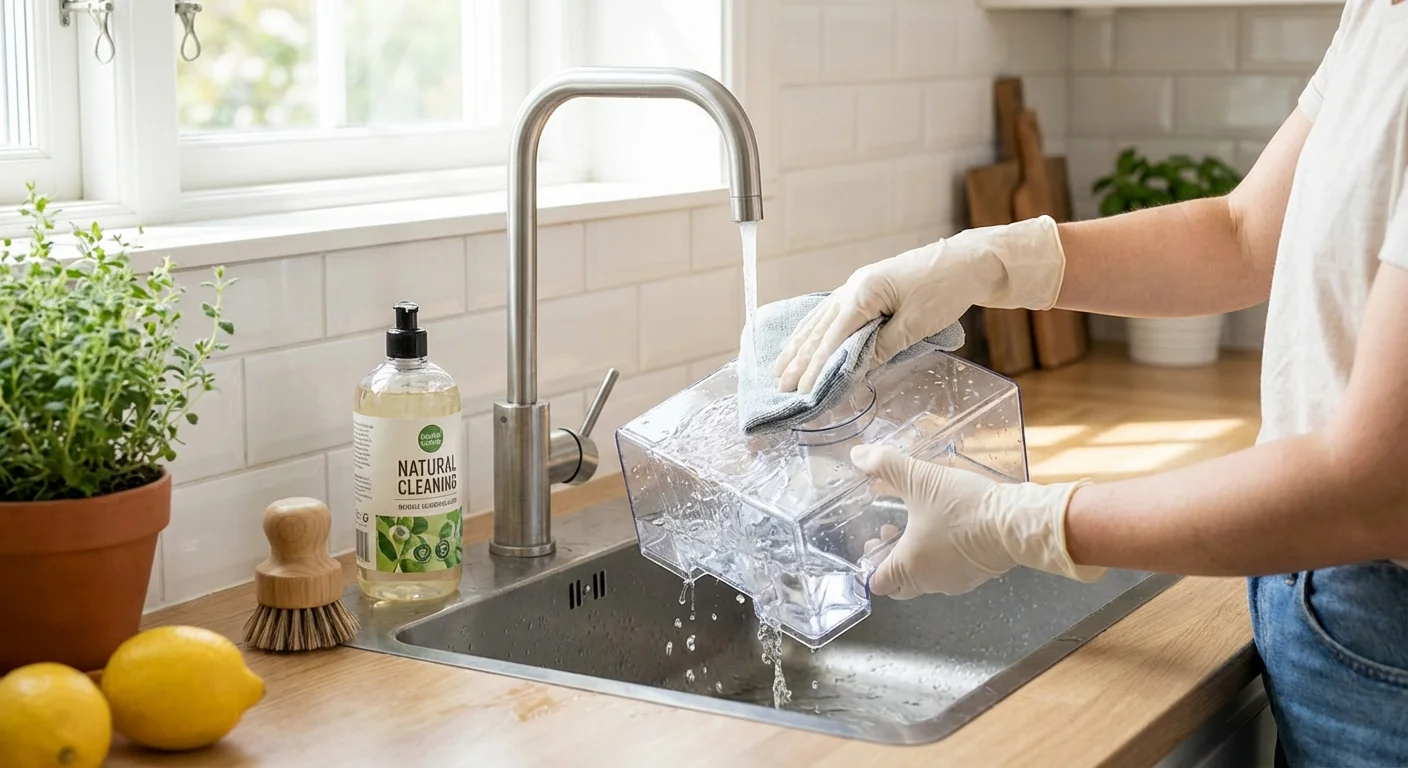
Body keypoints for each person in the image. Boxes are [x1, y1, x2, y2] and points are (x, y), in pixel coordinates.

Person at [772, 2, 1408, 765]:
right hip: (1319, 591)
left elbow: (1380, 487)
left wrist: (1023, 523)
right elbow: (1242, 233)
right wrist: (986, 261)